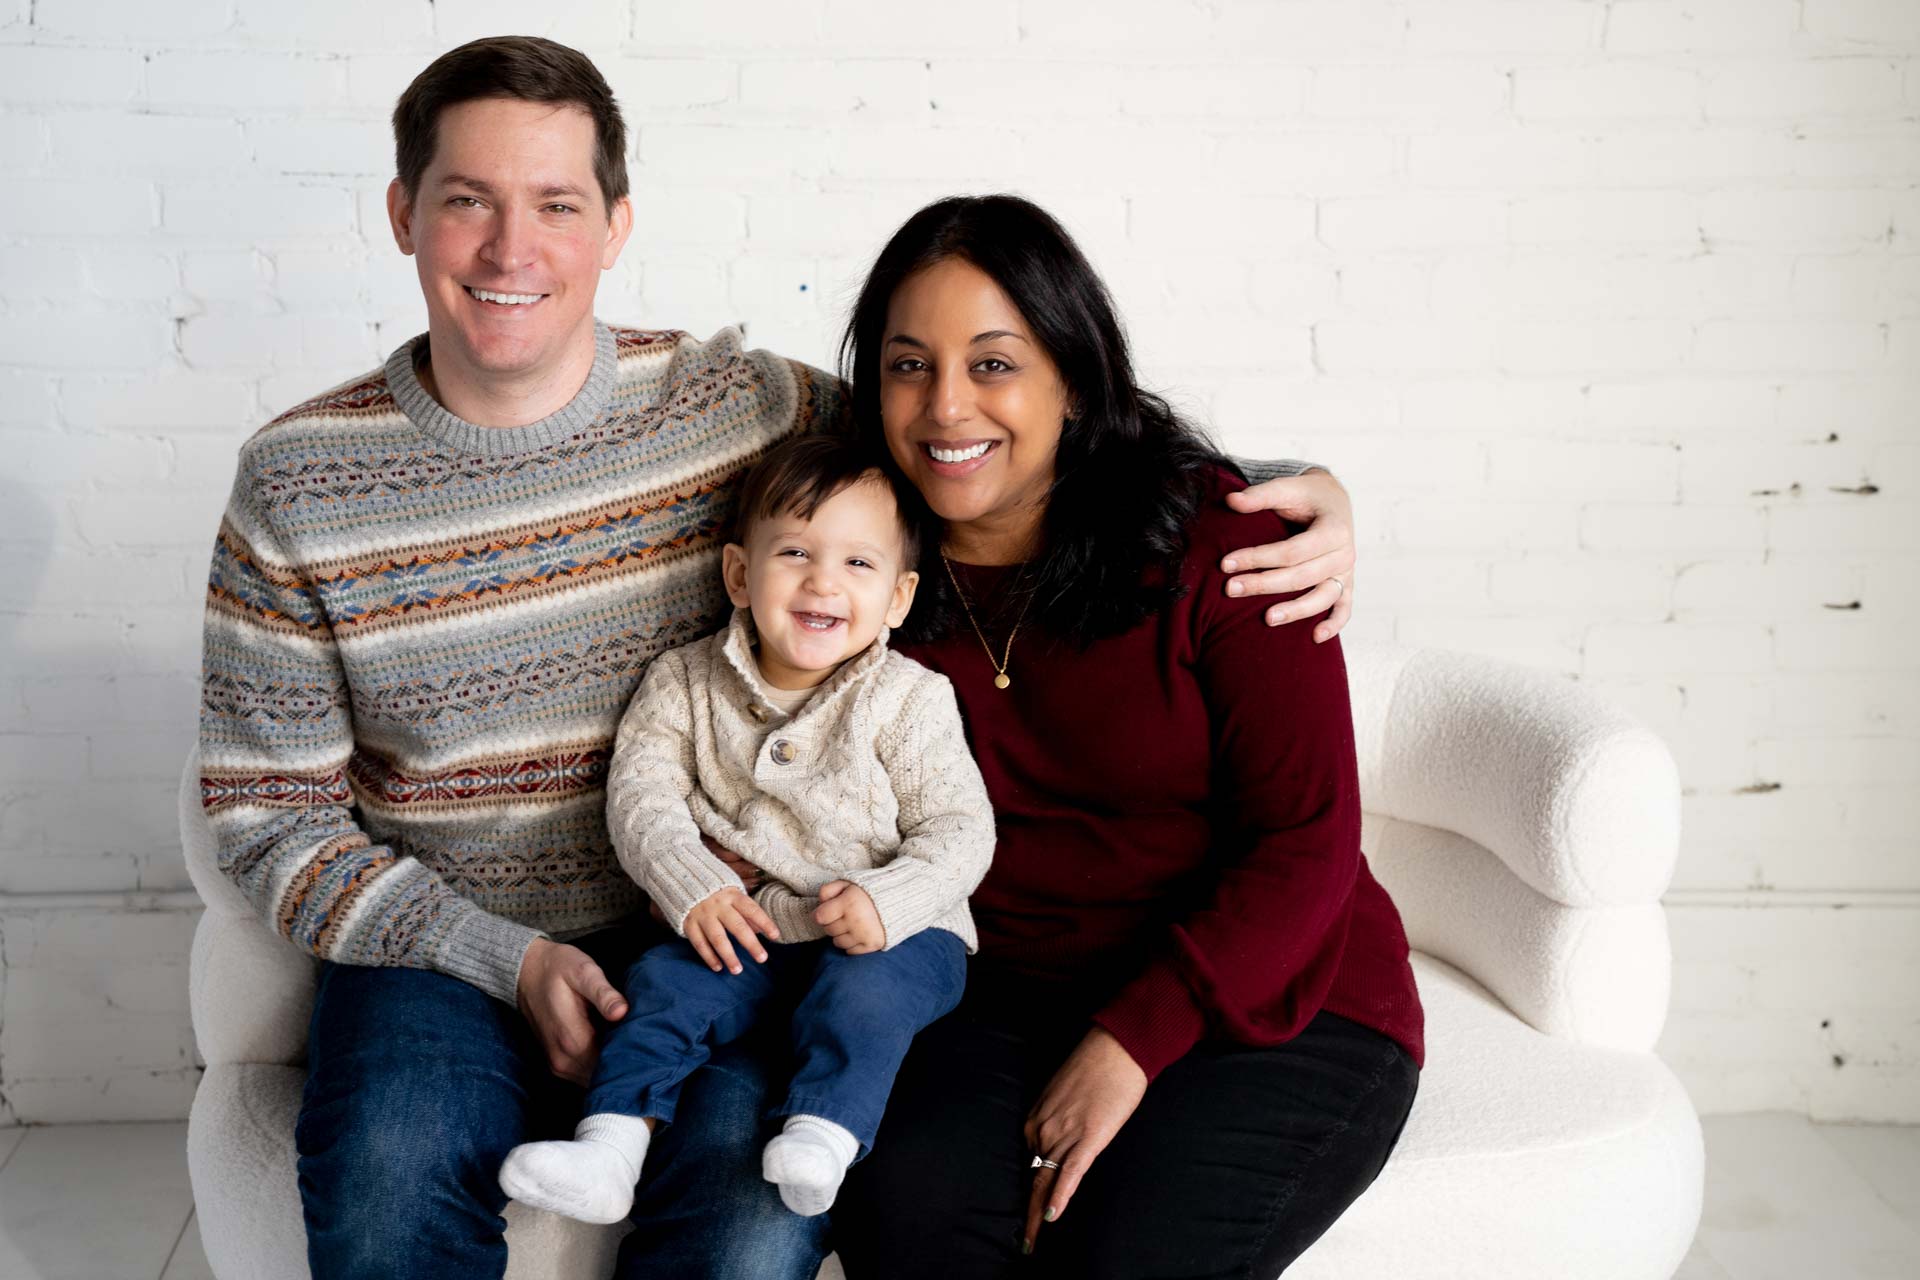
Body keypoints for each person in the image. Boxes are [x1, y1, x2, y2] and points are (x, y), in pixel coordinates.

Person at [196, 35, 1362, 1280]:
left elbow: (984, 441)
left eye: (556, 205)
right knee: (386, 1195)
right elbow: (268, 818)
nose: (509, 250)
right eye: (467, 200)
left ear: (616, 225)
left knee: (752, 1235)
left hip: (748, 932)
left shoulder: (735, 410)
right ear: (402, 214)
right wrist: (504, 956)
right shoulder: (299, 482)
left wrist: (1300, 488)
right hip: (452, 948)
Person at [805, 195, 1425, 1279]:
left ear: (1075, 380)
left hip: (1270, 994)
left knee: (1119, 1258)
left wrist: (1133, 1040)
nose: (946, 406)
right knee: (906, 1224)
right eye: (909, 364)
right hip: (992, 996)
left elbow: (1307, 842)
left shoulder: (1226, 544)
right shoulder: (857, 564)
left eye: (994, 363)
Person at [498, 433, 993, 1225]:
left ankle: (823, 1134)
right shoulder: (684, 682)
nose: (823, 582)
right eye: (795, 551)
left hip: (896, 932)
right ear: (739, 573)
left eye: (858, 565)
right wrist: (692, 886)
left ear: (898, 598)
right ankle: (610, 1146)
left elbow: (963, 830)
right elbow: (641, 799)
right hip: (746, 923)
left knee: (867, 999)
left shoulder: (909, 698)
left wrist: (889, 898)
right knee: (663, 986)